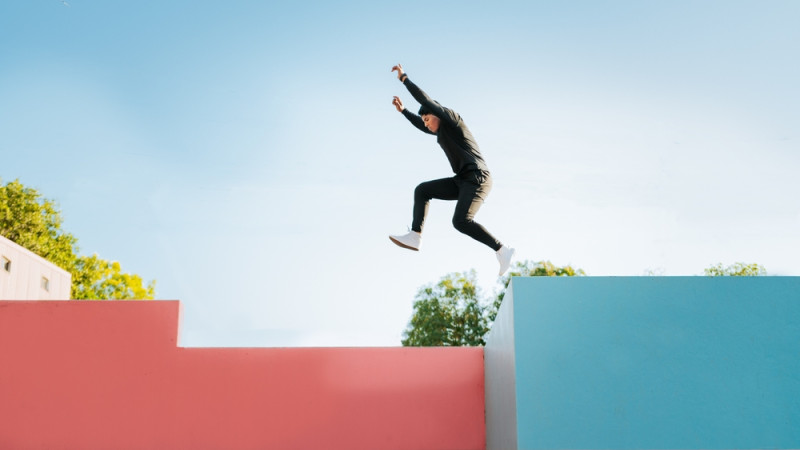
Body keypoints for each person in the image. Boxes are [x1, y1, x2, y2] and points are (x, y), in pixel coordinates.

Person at [388, 64, 515, 276]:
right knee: (422, 190)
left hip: (478, 177)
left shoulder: (452, 120)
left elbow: (425, 101)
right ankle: (415, 235)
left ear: (436, 113)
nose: (426, 124)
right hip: (463, 180)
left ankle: (502, 250)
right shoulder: (439, 132)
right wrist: (403, 112)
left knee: (461, 221)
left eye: (428, 119)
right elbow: (421, 124)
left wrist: (404, 79)